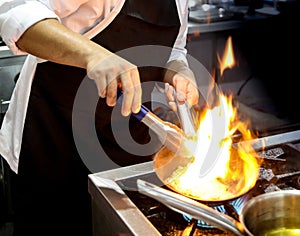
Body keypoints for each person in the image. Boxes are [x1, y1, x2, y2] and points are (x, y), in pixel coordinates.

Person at [0, 0, 199, 235]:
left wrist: (179, 72)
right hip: (56, 135)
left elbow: (175, 50)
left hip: (125, 141)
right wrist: (94, 55)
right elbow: (15, 13)